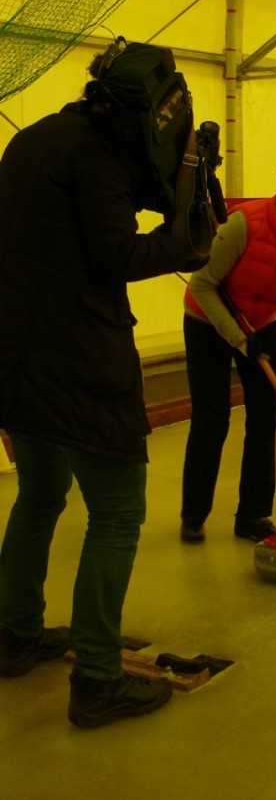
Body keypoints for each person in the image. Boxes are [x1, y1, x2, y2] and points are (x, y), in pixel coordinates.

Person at [0, 50, 208, 727]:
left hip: (14, 355)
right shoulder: (98, 158)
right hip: (79, 360)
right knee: (117, 510)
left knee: (39, 492)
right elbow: (115, 254)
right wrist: (181, 241)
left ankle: (14, 632)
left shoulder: (38, 139)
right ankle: (96, 677)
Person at [179, 152, 276, 543]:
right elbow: (201, 284)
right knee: (212, 419)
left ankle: (254, 516)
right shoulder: (244, 224)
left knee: (264, 420)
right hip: (207, 319)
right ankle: (194, 515)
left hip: (263, 323)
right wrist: (239, 341)